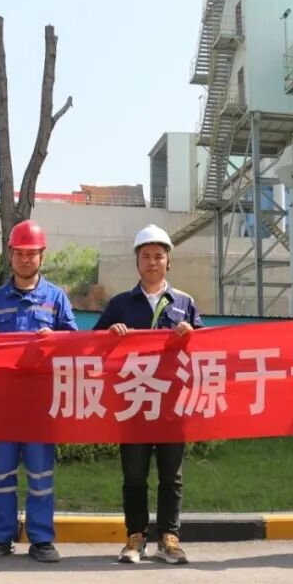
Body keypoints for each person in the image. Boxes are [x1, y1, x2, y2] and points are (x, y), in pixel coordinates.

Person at [94, 224, 203, 565]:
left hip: (172, 405)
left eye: (158, 256)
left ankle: (169, 537)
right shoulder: (121, 305)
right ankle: (136, 536)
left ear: (169, 261)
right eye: (146, 256)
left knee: (172, 476)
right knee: (134, 475)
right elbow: (92, 348)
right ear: (137, 262)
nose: (152, 262)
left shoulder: (184, 303)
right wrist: (110, 335)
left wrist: (192, 334)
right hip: (135, 403)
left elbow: (206, 351)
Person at [0, 220, 78, 562]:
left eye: (31, 253)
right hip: (3, 405)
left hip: (40, 406)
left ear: (42, 256)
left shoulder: (56, 299)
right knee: (2, 475)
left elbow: (74, 343)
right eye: (19, 253)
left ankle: (41, 540)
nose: (25, 259)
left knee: (40, 475)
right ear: (11, 255)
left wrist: (57, 339)